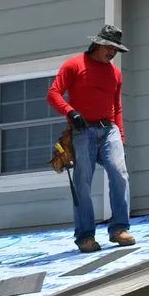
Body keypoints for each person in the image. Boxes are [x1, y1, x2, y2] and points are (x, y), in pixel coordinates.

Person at [47, 24, 135, 253]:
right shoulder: (74, 65)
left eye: (116, 49)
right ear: (98, 43)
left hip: (109, 130)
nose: (113, 53)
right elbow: (53, 93)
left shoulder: (115, 73)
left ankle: (119, 229)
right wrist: (70, 112)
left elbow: (117, 106)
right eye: (110, 47)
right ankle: (85, 236)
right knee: (83, 183)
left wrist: (121, 136)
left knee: (119, 173)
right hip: (82, 131)